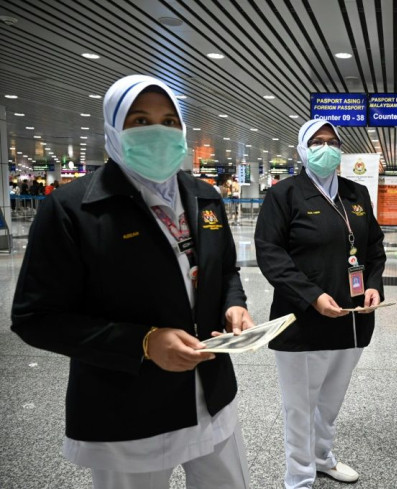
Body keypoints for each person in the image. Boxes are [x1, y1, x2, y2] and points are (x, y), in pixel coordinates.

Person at [11, 74, 254, 489]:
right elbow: (35, 317)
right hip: (128, 406)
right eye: (140, 121)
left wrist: (233, 303)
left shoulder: (203, 195)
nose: (158, 132)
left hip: (210, 392)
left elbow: (224, 269)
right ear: (113, 128)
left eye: (169, 121)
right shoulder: (73, 209)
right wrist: (142, 342)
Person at [254, 119, 386, 489]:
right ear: (301, 149)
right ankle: (298, 476)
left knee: (329, 401)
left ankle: (322, 457)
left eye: (332, 141)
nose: (326, 148)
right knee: (300, 406)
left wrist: (373, 285)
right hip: (301, 321)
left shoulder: (356, 193)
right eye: (316, 141)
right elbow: (270, 253)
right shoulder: (284, 194)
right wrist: (311, 295)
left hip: (352, 318)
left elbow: (373, 248)